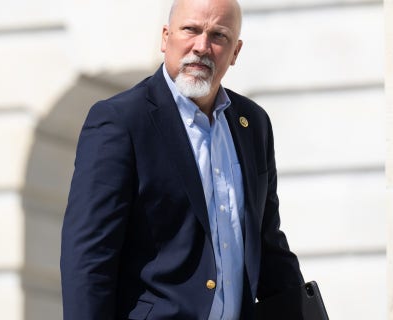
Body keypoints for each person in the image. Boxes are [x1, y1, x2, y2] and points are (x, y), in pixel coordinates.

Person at [60, 0, 303, 318]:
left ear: (235, 52)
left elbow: (268, 245)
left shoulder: (252, 123)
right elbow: (89, 258)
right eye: (191, 29)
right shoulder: (121, 121)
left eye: (219, 36)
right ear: (165, 37)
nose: (202, 46)